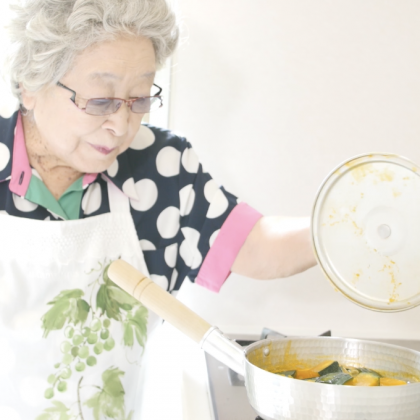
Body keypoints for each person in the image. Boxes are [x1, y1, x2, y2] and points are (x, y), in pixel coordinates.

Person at [0, 0, 316, 418]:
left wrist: (348, 228)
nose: (120, 125)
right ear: (32, 84)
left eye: (139, 99)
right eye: (99, 100)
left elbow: (259, 246)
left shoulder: (161, 166)